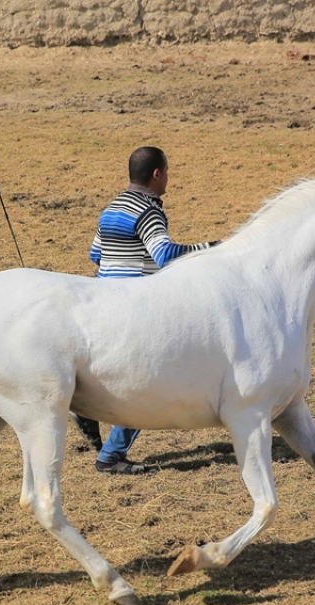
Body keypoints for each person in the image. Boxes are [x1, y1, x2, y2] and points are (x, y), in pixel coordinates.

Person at [77, 146, 217, 474]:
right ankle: (111, 456)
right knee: (154, 381)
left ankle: (86, 407)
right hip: (134, 309)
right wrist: (213, 249)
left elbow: (95, 255)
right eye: (167, 172)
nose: (168, 178)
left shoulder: (112, 207)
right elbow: (166, 254)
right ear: (157, 174)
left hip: (102, 300)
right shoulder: (147, 210)